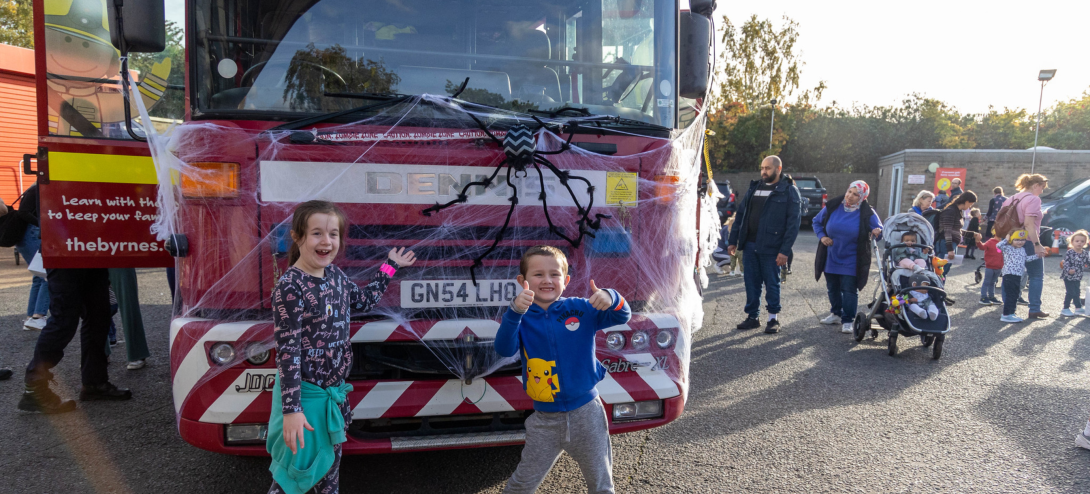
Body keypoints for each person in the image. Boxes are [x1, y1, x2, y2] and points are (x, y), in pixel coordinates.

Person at [267, 200, 416, 494]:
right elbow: (288, 354)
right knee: (294, 477)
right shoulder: (290, 287)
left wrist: (390, 265)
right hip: (306, 401)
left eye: (333, 234)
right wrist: (292, 410)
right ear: (298, 237)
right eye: (317, 233)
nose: (326, 241)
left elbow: (364, 301)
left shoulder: (335, 275)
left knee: (329, 473)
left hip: (333, 398)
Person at [496, 246, 630, 494]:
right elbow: (504, 349)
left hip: (587, 413)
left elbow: (622, 314)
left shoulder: (581, 309)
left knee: (601, 484)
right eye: (538, 275)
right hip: (544, 420)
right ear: (522, 281)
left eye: (554, 274)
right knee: (521, 485)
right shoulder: (520, 317)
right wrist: (514, 312)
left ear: (566, 280)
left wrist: (611, 296)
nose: (547, 280)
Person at [19, 264, 128, 414]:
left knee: (99, 316)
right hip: (64, 252)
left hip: (91, 254)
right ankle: (34, 387)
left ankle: (94, 383)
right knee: (63, 320)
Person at [726, 156, 802, 334]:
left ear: (778, 168)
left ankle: (773, 319)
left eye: (768, 168)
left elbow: (793, 224)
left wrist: (784, 251)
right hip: (750, 245)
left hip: (772, 248)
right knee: (751, 283)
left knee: (772, 283)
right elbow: (740, 217)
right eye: (762, 168)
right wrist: (733, 241)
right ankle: (753, 317)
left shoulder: (789, 191)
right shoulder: (755, 188)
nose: (764, 172)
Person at [812, 180, 882, 334]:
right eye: (849, 191)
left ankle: (848, 320)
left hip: (852, 256)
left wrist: (877, 231)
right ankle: (836, 314)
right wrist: (822, 237)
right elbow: (816, 222)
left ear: (862, 197)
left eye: (855, 194)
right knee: (832, 288)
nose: (850, 196)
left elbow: (879, 229)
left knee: (849, 289)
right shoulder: (833, 206)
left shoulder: (867, 212)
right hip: (831, 254)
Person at [5, 183, 50, 331]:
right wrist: (42, 223)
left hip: (25, 236)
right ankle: (38, 316)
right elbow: (23, 212)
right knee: (47, 274)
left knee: (38, 275)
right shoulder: (39, 188)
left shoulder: (33, 189)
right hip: (32, 233)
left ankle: (32, 317)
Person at [1006, 174, 1050, 318]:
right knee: (1036, 275)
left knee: (1012, 274)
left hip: (1012, 241)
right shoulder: (1033, 199)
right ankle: (1034, 308)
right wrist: (1037, 244)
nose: (1042, 191)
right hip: (1028, 240)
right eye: (1042, 187)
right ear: (1035, 185)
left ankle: (1008, 308)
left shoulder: (1011, 198)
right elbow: (1028, 224)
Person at [108, 268, 151, 370]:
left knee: (128, 304)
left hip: (119, 257)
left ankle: (137, 352)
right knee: (94, 304)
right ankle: (98, 353)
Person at [937, 191, 978, 275]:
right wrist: (950, 249)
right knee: (941, 271)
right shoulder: (950, 211)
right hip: (947, 244)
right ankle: (936, 287)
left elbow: (955, 230)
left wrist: (972, 234)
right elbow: (947, 231)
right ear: (966, 202)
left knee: (944, 271)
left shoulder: (957, 211)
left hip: (950, 244)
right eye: (970, 204)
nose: (970, 207)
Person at [998, 229, 1029, 323]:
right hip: (1009, 274)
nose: (1020, 242)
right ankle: (1006, 314)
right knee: (1010, 295)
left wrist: (1037, 256)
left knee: (1016, 294)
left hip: (1018, 275)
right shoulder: (1007, 247)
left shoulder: (1022, 250)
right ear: (1011, 239)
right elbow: (998, 246)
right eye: (1017, 239)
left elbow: (1026, 259)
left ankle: (1011, 313)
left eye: (1022, 239)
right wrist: (1006, 239)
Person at [1059, 230, 1090, 317]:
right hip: (1069, 276)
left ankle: (1078, 307)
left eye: (1082, 241)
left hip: (1078, 276)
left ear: (1085, 243)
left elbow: (1088, 262)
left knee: (1077, 292)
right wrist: (1069, 270)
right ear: (1072, 242)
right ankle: (1065, 308)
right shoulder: (1070, 252)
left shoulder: (1084, 253)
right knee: (1070, 292)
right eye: (1077, 241)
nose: (1079, 243)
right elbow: (1066, 263)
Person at [973, 231, 1003, 305]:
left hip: (998, 267)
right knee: (987, 282)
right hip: (990, 266)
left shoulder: (1003, 243)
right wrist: (978, 241)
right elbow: (982, 247)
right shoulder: (991, 242)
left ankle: (991, 296)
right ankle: (983, 297)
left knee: (993, 282)